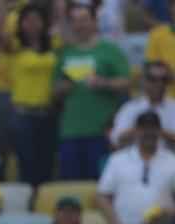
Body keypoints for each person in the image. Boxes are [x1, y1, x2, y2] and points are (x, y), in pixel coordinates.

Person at [54, 2, 131, 179]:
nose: (79, 25)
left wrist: (104, 83)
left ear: (95, 22)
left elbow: (126, 83)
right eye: (75, 21)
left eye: (84, 20)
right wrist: (62, 88)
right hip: (70, 132)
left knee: (98, 184)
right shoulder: (65, 53)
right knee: (71, 186)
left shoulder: (110, 50)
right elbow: (55, 90)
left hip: (100, 131)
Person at [97, 111, 175, 224]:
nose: (148, 133)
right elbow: (102, 196)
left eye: (153, 128)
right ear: (136, 131)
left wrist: (171, 213)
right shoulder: (117, 160)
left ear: (160, 131)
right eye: (144, 128)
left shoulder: (174, 161)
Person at [2, 2, 59, 187]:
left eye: (37, 19)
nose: (32, 24)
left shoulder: (54, 45)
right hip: (23, 115)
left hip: (48, 112)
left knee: (47, 164)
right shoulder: (14, 47)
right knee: (26, 166)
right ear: (20, 24)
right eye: (27, 20)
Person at [111, 61, 175, 153]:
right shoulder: (129, 108)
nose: (159, 84)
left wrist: (153, 130)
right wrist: (142, 129)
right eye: (152, 79)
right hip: (131, 162)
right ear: (143, 80)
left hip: (168, 163)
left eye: (164, 79)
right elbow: (116, 140)